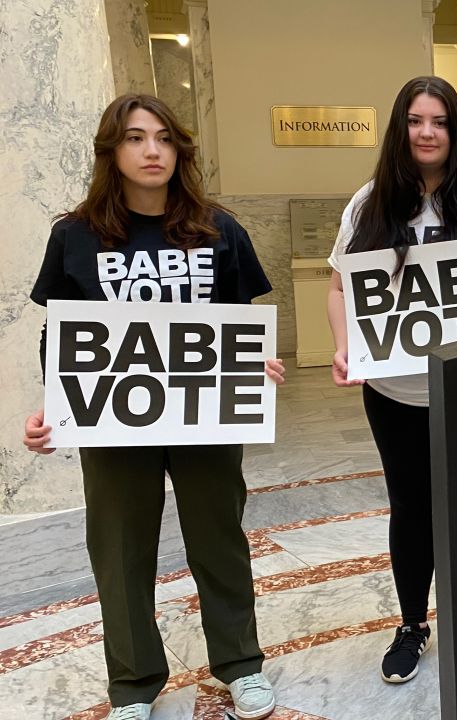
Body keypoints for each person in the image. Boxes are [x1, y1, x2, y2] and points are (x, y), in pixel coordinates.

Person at [21, 94, 283, 720]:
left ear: (179, 150)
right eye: (136, 138)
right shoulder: (74, 236)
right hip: (115, 421)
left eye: (164, 138)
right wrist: (55, 406)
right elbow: (61, 335)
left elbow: (237, 328)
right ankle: (133, 685)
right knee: (119, 550)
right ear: (112, 151)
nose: (151, 150)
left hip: (205, 417)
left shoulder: (221, 230)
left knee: (219, 541)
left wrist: (255, 364)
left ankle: (241, 666)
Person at [325, 76, 457, 684]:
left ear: (456, 130)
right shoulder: (371, 202)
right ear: (401, 127)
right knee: (411, 508)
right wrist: (345, 345)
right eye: (416, 121)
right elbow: (340, 288)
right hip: (395, 392)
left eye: (439, 121)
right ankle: (413, 623)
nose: (427, 132)